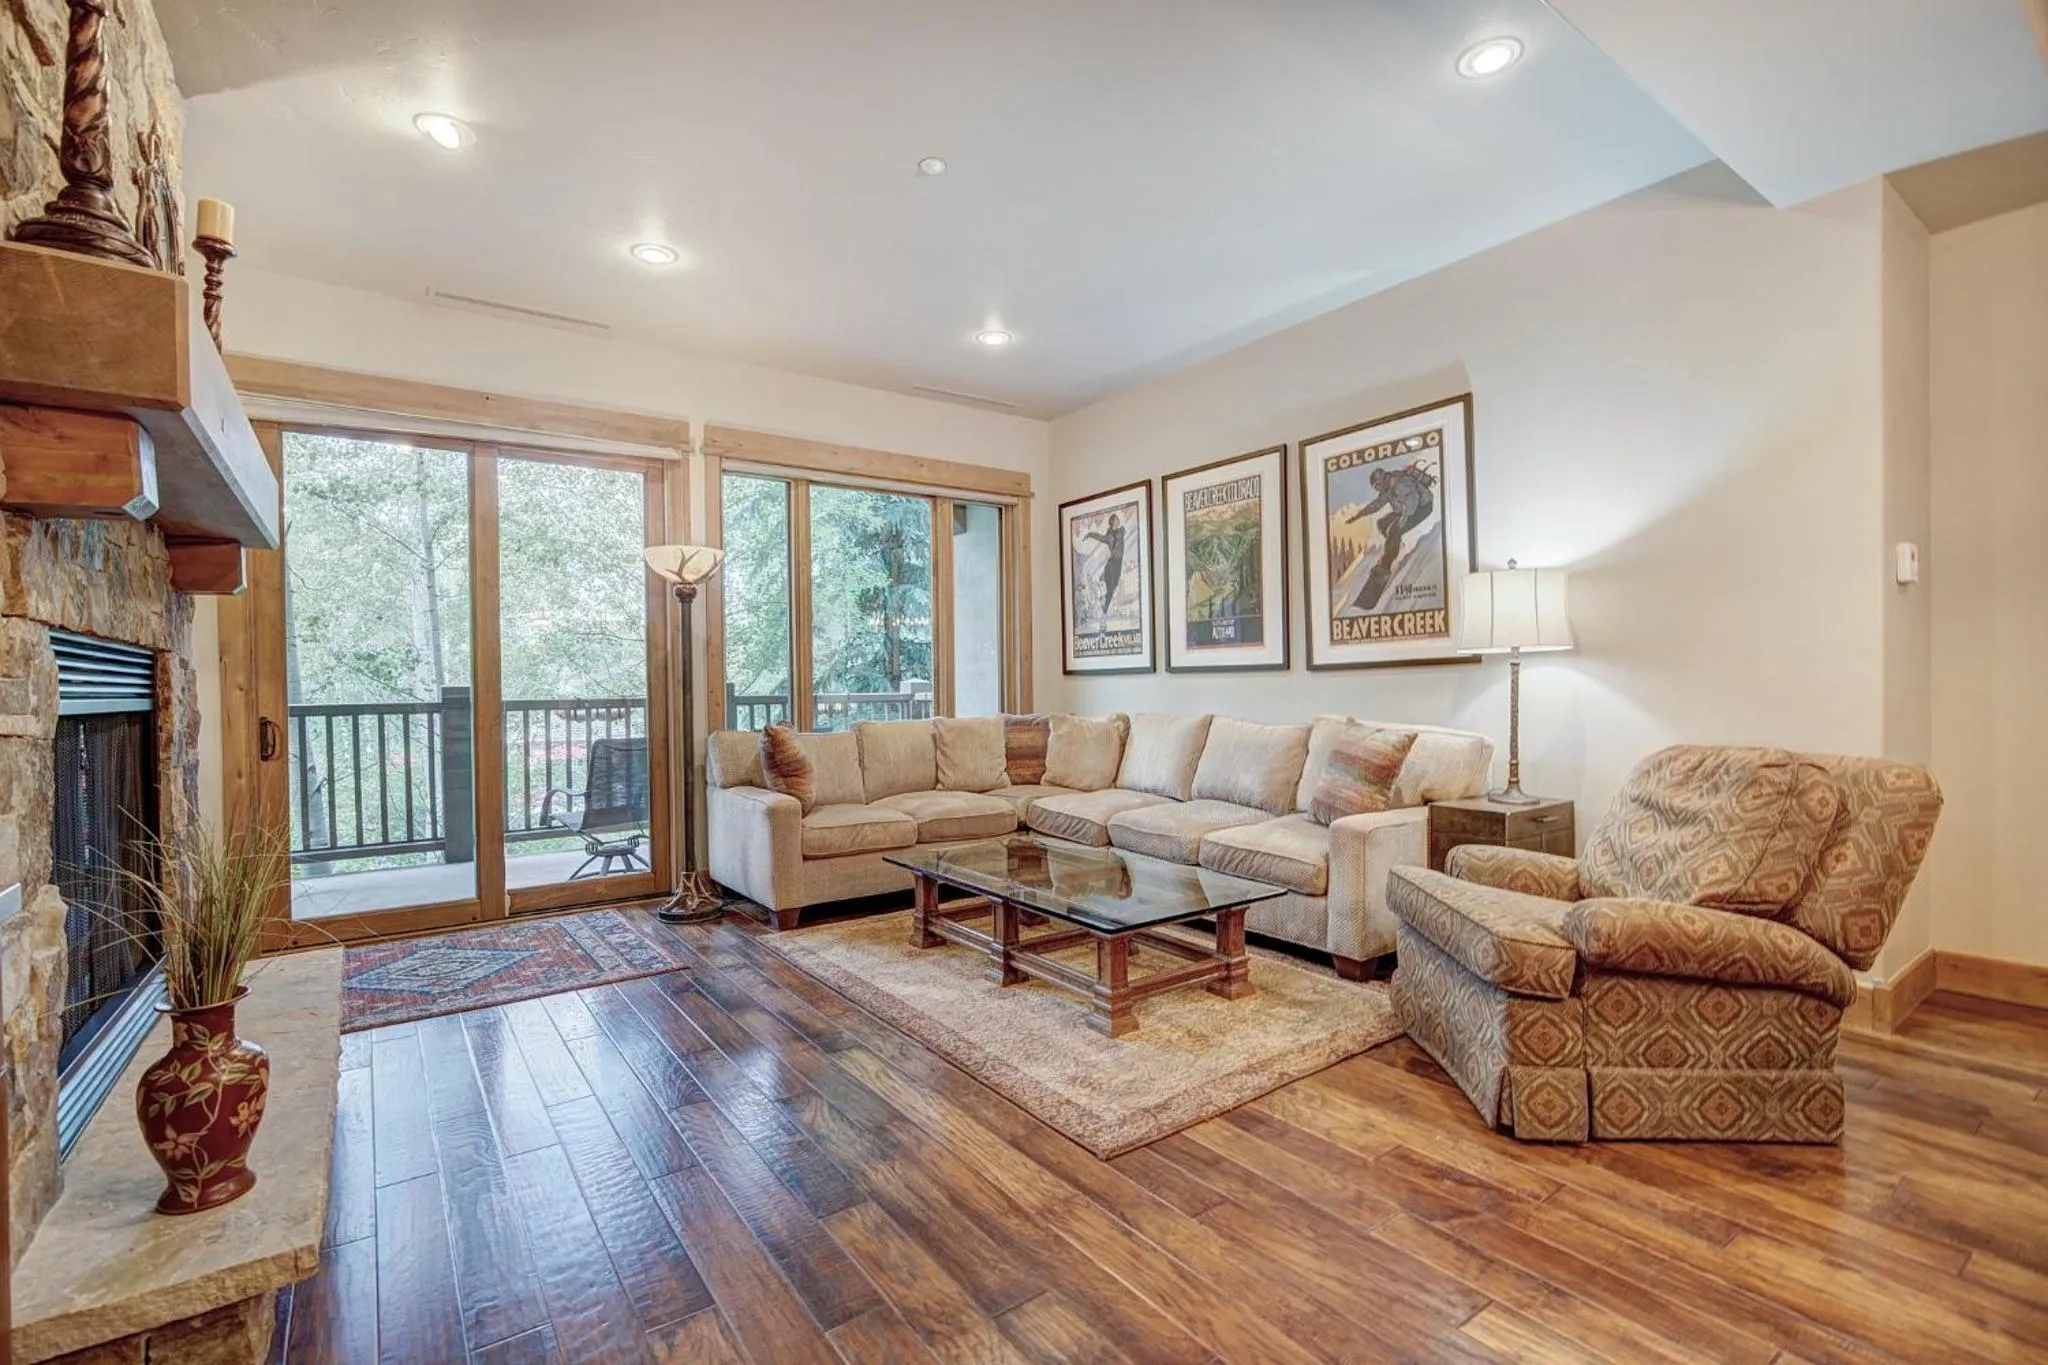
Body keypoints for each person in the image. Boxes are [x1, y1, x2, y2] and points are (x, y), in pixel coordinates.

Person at [1343, 461, 1434, 614]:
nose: (1377, 490)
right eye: (1375, 488)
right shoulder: (1387, 488)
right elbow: (1376, 504)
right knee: (1382, 523)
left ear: (1380, 481)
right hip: (1405, 509)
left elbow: (1413, 499)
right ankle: (1394, 545)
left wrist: (1402, 521)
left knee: (1393, 530)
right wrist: (1358, 516)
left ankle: (1385, 565)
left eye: (1376, 487)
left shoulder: (1399, 482)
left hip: (1422, 507)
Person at [1080, 511, 1126, 623]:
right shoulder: (1109, 535)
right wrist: (1089, 534)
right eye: (1115, 519)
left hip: (1118, 563)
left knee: (1113, 587)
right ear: (1112, 522)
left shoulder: (1121, 530)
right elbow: (1099, 537)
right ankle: (1104, 613)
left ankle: (1103, 600)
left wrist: (1110, 537)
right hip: (1111, 564)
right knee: (1111, 588)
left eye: (1117, 519)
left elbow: (1119, 535)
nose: (1117, 520)